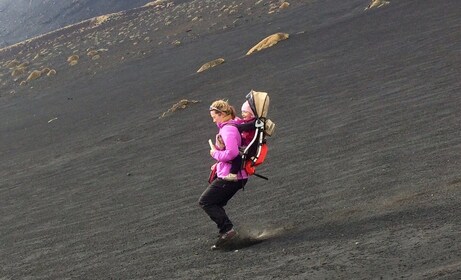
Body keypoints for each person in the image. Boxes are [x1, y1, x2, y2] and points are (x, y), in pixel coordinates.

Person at [199, 100, 249, 249]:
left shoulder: (227, 130)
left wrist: (215, 154)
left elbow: (233, 153)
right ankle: (227, 234)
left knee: (206, 201)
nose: (213, 120)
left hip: (233, 177)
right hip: (237, 175)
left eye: (214, 116)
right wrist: (219, 163)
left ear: (221, 114)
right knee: (215, 203)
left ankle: (228, 231)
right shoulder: (233, 124)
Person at [221, 100, 256, 181]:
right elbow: (241, 124)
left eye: (245, 112)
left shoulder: (253, 123)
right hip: (248, 145)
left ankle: (233, 174)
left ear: (252, 113)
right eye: (242, 112)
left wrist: (234, 126)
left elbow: (241, 127)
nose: (243, 114)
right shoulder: (250, 122)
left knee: (237, 156)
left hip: (249, 147)